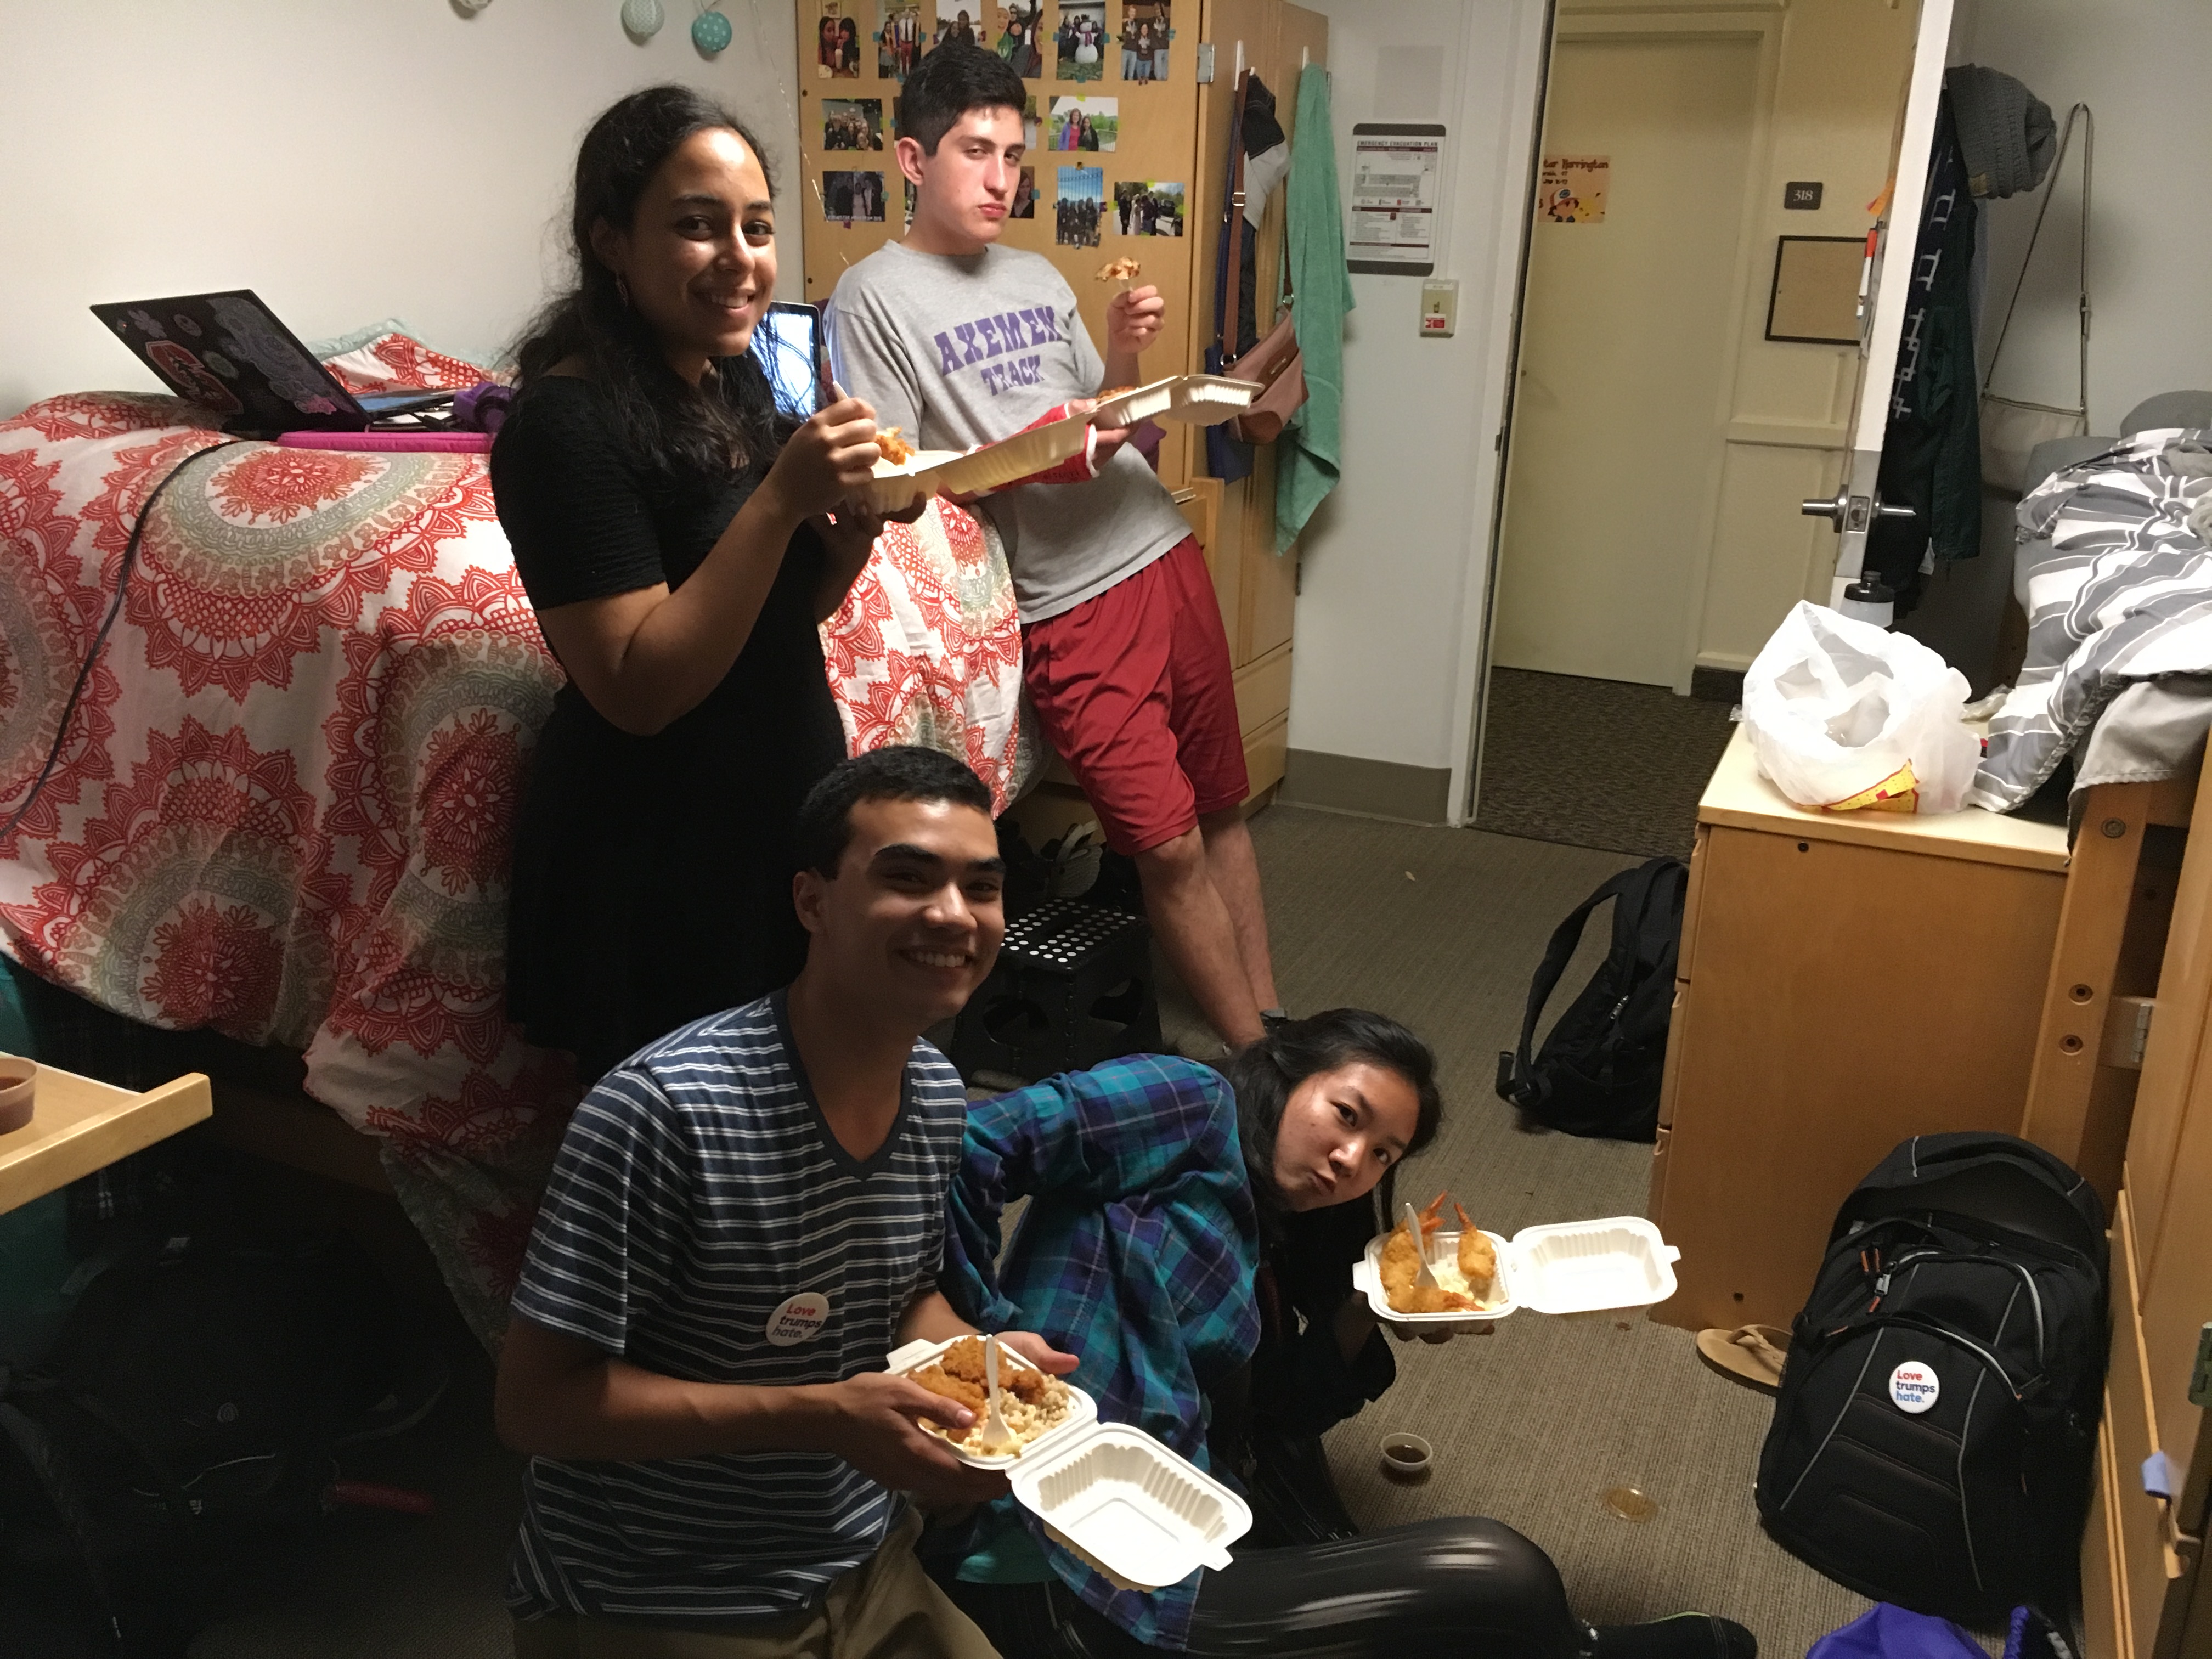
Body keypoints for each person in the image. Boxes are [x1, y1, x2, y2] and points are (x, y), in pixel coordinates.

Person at [928, 1014, 1760, 1659]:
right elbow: (966, 1147)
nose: (1351, 1161)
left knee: (1373, 1548)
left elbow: (1273, 1413)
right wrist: (979, 1340)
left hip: (1164, 1512)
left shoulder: (1264, 1225)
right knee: (1498, 1568)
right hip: (1059, 1554)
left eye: (1383, 1155)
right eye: (1345, 1115)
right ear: (1287, 1073)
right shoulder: (1189, 1100)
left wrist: (1371, 1311)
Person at [498, 746, 1075, 1657]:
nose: (953, 915)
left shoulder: (933, 1092)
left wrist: (980, 1364)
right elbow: (536, 1408)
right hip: (660, 1590)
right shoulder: (665, 1112)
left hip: (860, 1556)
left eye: (983, 887)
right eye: (908, 879)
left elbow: (901, 1296)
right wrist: (823, 1416)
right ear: (812, 901)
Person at [828, 45, 1282, 1052]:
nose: (1002, 180)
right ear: (912, 159)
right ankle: (1259, 1066)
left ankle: (1277, 1029)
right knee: (1164, 846)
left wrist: (1123, 354)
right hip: (1069, 597)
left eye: (1014, 156)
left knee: (1222, 808)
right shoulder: (873, 297)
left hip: (1160, 545)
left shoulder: (1036, 271)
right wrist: (1046, 451)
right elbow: (904, 479)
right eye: (975, 152)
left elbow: (1102, 412)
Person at [493, 86, 898, 1085]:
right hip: (655, 854)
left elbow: (768, 621)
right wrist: (781, 499)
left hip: (771, 818)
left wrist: (845, 543)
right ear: (611, 242)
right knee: (677, 1142)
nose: (740, 258)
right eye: (696, 226)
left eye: (757, 228)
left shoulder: (726, 381)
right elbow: (638, 689)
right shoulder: (562, 427)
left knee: (786, 1116)